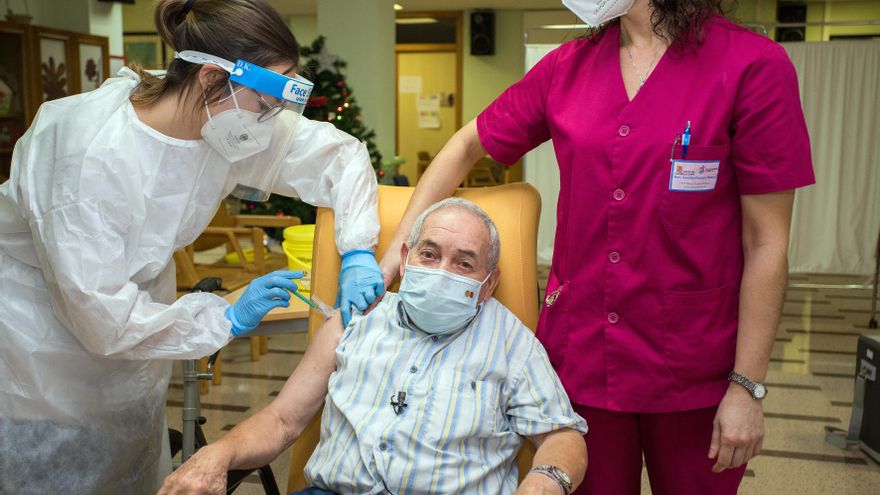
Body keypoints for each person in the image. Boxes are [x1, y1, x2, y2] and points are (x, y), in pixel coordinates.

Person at [380, 1, 815, 493]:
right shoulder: (570, 66)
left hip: (697, 367)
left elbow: (767, 242)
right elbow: (465, 146)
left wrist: (747, 386)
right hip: (583, 357)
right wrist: (400, 243)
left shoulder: (751, 65)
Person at [0, 0, 382, 493]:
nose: (272, 121)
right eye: (266, 104)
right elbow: (98, 316)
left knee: (132, 467)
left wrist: (357, 250)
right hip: (37, 346)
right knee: (51, 473)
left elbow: (339, 156)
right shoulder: (88, 154)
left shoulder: (219, 121)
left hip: (129, 330)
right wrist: (222, 317)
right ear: (208, 77)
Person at [159, 198, 589, 495]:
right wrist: (217, 454)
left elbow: (562, 433)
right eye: (429, 254)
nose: (442, 271)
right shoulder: (354, 321)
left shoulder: (513, 343)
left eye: (464, 263)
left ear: (488, 282)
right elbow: (283, 419)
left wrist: (546, 480)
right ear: (404, 260)